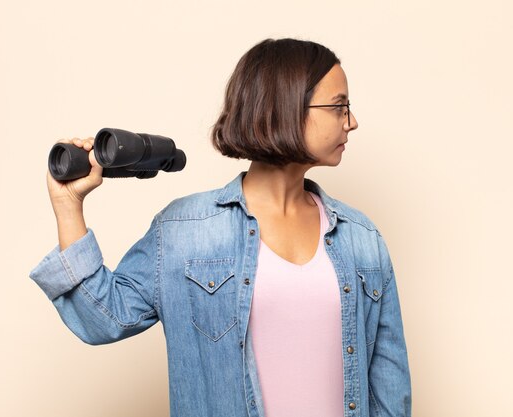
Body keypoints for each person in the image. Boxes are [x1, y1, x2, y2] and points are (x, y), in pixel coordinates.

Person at [30, 38, 412, 417]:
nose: (352, 121)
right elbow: (103, 319)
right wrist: (69, 207)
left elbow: (389, 390)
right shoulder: (184, 231)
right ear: (286, 109)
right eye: (339, 107)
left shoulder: (362, 239)